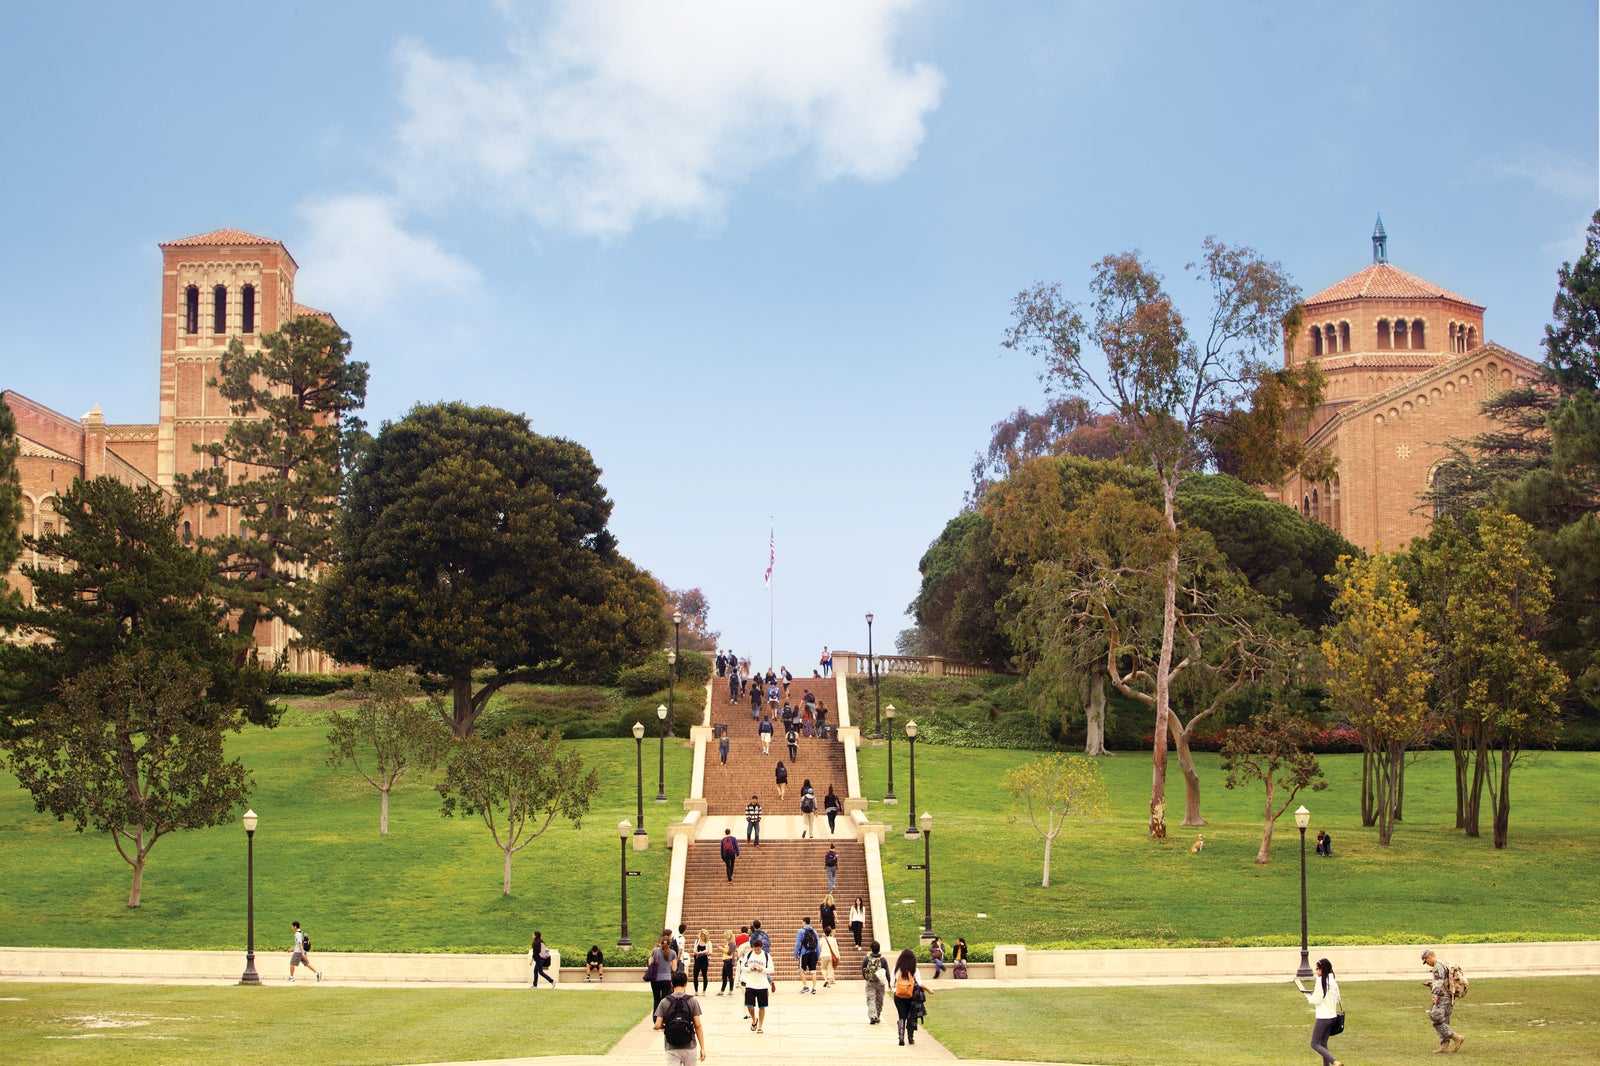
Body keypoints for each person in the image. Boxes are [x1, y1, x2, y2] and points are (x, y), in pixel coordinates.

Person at [1295, 956, 1343, 1066]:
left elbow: (1316, 1000)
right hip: (1332, 1016)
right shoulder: (1333, 981)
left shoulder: (1320, 981)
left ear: (1322, 969)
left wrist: (1308, 995)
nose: (1316, 971)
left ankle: (1334, 1061)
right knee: (1323, 1044)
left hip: (1323, 1017)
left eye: (1317, 969)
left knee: (1314, 1043)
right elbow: (1337, 998)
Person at [653, 969, 707, 1065]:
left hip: (671, 1046)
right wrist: (702, 1048)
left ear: (672, 984)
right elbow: (698, 1025)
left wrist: (667, 1026)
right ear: (686, 983)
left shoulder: (665, 1001)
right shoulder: (692, 1001)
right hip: (689, 1045)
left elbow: (657, 1025)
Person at [1422, 949, 1466, 1053]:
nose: (1427, 964)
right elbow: (1443, 980)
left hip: (1442, 997)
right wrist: (1432, 983)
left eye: (1426, 961)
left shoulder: (1437, 966)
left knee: (1437, 1021)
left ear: (1429, 957)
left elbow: (1438, 982)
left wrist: (1434, 995)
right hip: (1449, 996)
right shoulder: (1444, 963)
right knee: (1444, 1020)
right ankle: (1444, 1046)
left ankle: (1456, 1037)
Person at [891, 947, 929, 1045]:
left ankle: (901, 1036)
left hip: (898, 996)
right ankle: (910, 1038)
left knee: (901, 1016)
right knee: (911, 1016)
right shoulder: (914, 969)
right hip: (911, 996)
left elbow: (892, 984)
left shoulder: (895, 968)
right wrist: (929, 990)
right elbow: (920, 983)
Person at [739, 933, 775, 1033]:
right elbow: (742, 967)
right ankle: (754, 1019)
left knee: (762, 1006)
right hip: (750, 983)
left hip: (762, 985)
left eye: (758, 949)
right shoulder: (749, 954)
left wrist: (762, 969)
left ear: (761, 947)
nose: (757, 951)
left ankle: (760, 1026)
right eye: (755, 949)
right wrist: (749, 968)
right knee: (749, 1005)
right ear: (753, 947)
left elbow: (771, 969)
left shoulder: (767, 956)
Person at [862, 939, 890, 1024]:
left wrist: (866, 977)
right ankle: (877, 1015)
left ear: (871, 948)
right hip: (880, 982)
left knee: (871, 999)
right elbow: (887, 972)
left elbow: (863, 969)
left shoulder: (867, 959)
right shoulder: (883, 959)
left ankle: (872, 1016)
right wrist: (889, 982)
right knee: (879, 1000)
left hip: (870, 982)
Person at [647, 932, 675, 1010]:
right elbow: (674, 968)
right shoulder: (673, 953)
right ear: (669, 943)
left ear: (660, 943)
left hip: (655, 978)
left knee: (656, 999)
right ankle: (664, 1017)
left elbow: (650, 963)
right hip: (667, 978)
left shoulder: (655, 951)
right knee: (665, 1000)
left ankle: (655, 1017)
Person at [793, 917, 821, 993]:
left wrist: (795, 954)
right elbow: (817, 944)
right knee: (813, 971)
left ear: (804, 922)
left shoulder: (801, 931)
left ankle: (805, 986)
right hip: (813, 952)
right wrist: (818, 954)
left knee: (801, 969)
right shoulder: (814, 932)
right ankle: (814, 988)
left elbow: (798, 943)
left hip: (804, 952)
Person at [819, 924, 842, 988]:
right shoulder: (833, 939)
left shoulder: (822, 939)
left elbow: (819, 947)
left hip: (823, 955)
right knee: (830, 969)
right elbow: (836, 948)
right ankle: (828, 983)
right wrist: (838, 956)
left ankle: (825, 979)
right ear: (830, 932)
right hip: (831, 956)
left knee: (823, 968)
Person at [718, 929, 738, 996]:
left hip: (729, 961)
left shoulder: (731, 943)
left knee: (729, 976)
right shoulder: (728, 943)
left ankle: (731, 990)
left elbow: (729, 953)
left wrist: (722, 949)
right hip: (726, 960)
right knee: (724, 976)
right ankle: (722, 990)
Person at [692, 929, 712, 994]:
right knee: (695, 975)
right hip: (697, 959)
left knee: (704, 975)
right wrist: (697, 953)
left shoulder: (708, 942)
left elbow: (710, 952)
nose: (703, 937)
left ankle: (704, 990)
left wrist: (706, 953)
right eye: (702, 936)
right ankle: (696, 990)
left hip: (704, 960)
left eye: (704, 936)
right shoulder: (697, 941)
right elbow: (694, 950)